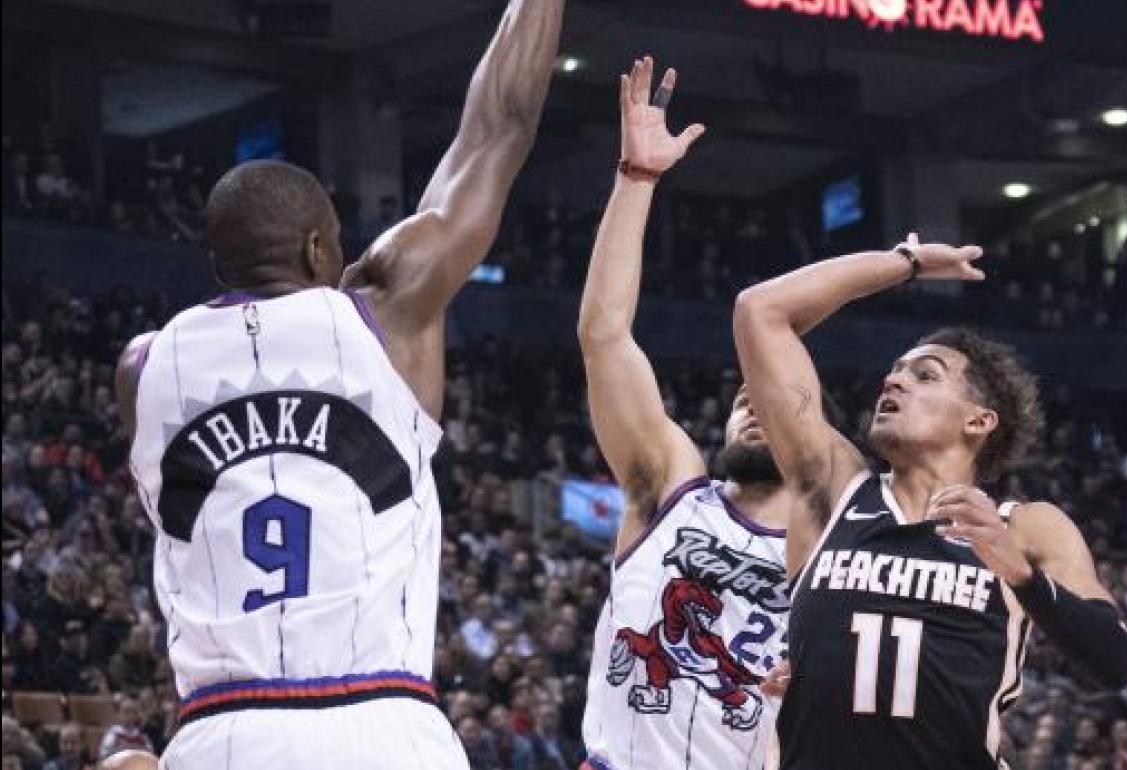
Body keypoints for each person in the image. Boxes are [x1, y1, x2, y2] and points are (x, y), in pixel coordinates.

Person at [114, 0, 564, 765]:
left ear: (219, 264)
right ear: (322, 247)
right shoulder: (386, 316)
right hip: (381, 722)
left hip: (225, 731)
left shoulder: (143, 365)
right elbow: (499, 126)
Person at [732, 234, 1127, 769]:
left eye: (925, 375)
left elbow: (1112, 662)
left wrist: (1021, 577)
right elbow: (760, 309)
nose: (894, 379)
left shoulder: (1028, 526)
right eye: (895, 370)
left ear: (978, 420)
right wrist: (908, 262)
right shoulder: (832, 491)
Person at [577, 56, 795, 770]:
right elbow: (604, 336)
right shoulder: (674, 490)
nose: (755, 407)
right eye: (742, 400)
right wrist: (636, 181)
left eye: (775, 400)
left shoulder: (839, 557)